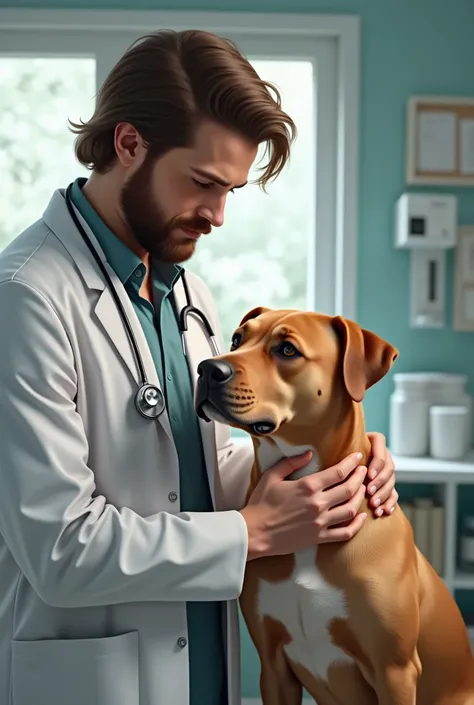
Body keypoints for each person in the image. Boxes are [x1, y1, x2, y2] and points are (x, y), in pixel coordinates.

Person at [0, 29, 398, 705]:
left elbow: (202, 469)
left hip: (201, 673)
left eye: (231, 191)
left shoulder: (187, 292)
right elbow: (60, 548)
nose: (216, 215)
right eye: (203, 183)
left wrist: (340, 463)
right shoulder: (28, 296)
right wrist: (253, 531)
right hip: (92, 680)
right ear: (128, 145)